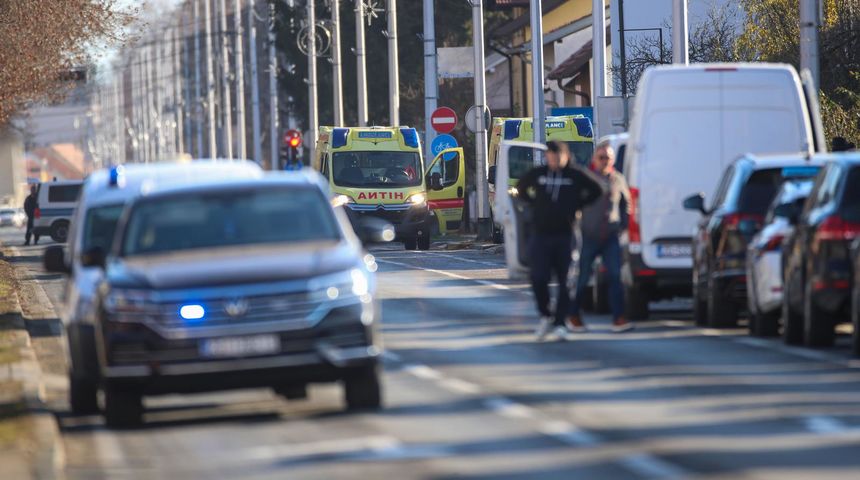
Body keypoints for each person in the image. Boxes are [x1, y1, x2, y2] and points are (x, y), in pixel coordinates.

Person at [517, 141, 605, 341]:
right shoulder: (539, 174)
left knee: (565, 281)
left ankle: (560, 322)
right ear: (546, 156)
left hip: (566, 236)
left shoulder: (574, 175)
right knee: (538, 278)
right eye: (550, 156)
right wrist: (534, 205)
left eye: (558, 157)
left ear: (565, 157)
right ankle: (545, 314)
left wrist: (579, 205)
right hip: (541, 235)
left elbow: (597, 190)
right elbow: (521, 187)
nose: (554, 160)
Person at [570, 142, 633, 333]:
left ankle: (618, 318)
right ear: (594, 160)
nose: (604, 161)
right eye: (601, 157)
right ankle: (574, 316)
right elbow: (575, 203)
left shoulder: (618, 179)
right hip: (589, 236)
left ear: (613, 160)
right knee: (582, 278)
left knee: (615, 276)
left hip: (611, 237)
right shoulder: (586, 178)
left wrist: (623, 223)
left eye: (608, 157)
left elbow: (627, 203)